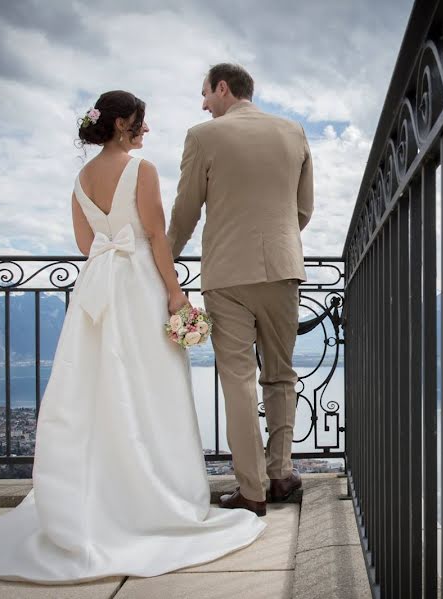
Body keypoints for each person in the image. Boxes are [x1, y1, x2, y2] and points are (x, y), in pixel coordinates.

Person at [0, 90, 265, 584]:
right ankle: (156, 496)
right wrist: (176, 292)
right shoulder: (140, 169)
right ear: (122, 124)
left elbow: (84, 244)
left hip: (97, 288)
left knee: (95, 387)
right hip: (137, 285)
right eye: (142, 122)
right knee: (151, 385)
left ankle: (100, 493)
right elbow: (158, 236)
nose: (147, 131)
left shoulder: (80, 179)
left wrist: (112, 247)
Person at [167, 64, 314, 516]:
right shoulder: (294, 132)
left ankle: (251, 492)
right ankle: (281, 474)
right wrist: (279, 242)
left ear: (223, 88)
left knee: (237, 382)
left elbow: (187, 211)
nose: (203, 103)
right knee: (281, 374)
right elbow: (303, 210)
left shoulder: (202, 137)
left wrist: (164, 258)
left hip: (227, 276)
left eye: (206, 93)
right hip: (283, 270)